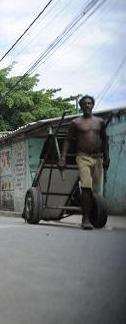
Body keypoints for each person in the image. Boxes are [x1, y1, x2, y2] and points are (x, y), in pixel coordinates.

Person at [58, 95, 110, 230]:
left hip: (97, 158)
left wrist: (107, 157)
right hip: (82, 157)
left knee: (95, 190)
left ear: (93, 105)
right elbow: (68, 140)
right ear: (81, 106)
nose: (87, 105)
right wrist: (62, 158)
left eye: (89, 103)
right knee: (86, 186)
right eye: (85, 103)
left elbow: (104, 140)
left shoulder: (100, 122)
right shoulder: (76, 123)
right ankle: (85, 219)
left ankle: (92, 216)